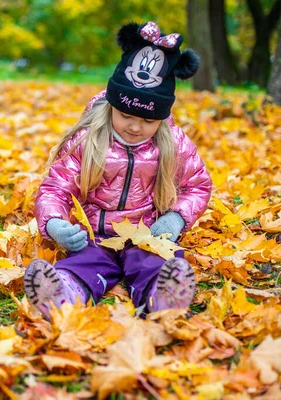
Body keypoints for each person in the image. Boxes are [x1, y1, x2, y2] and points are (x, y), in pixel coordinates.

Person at [24, 22, 213, 320]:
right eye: (126, 116)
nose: (136, 126)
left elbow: (197, 186)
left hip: (146, 232)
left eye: (148, 121)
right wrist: (55, 224)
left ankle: (163, 297)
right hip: (93, 234)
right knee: (85, 263)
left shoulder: (173, 142)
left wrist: (175, 218)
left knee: (155, 261)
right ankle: (62, 293)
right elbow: (55, 188)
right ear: (113, 104)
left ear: (161, 118)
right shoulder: (87, 139)